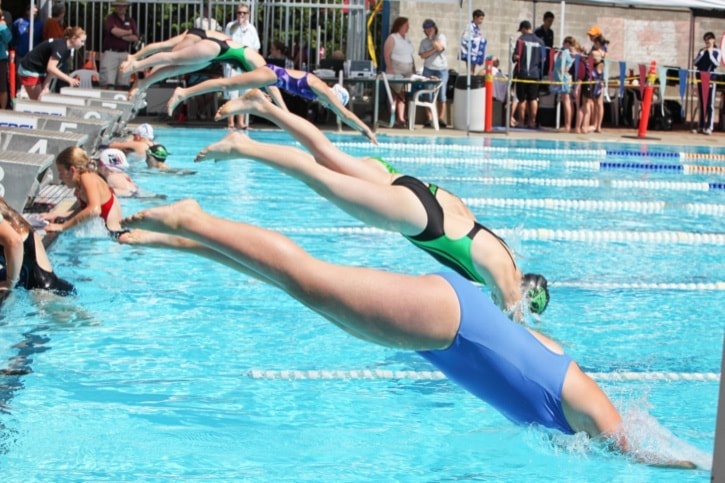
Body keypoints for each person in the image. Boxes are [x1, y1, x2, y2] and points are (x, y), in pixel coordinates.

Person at [117, 199, 697, 470]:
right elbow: (633, 447)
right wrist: (687, 466)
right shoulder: (596, 413)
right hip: (448, 323)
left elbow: (535, 348)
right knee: (308, 279)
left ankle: (186, 238)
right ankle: (193, 218)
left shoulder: (568, 387)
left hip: (450, 323)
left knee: (302, 289)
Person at [209, 89, 547, 318]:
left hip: (417, 189)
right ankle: (243, 145)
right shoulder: (508, 283)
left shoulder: (505, 253)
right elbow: (515, 332)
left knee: (327, 155)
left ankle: (263, 106)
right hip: (418, 217)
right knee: (319, 178)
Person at [166, 64, 376, 143]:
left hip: (274, 80)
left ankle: (252, 98)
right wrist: (366, 131)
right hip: (271, 74)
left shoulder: (320, 92)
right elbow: (345, 115)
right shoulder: (322, 89)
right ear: (334, 97)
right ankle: (184, 92)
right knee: (226, 84)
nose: (329, 106)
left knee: (284, 115)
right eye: (331, 104)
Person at [119, 29, 285, 110]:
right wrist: (286, 112)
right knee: (172, 57)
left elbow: (258, 83)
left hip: (215, 53)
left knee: (174, 69)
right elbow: (273, 88)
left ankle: (143, 84)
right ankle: (136, 63)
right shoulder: (265, 68)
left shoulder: (260, 69)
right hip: (214, 47)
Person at [41, 146, 125, 237]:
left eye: (61, 172)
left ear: (72, 170)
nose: (60, 178)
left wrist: (63, 226)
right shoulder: (84, 179)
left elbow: (94, 210)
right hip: (110, 236)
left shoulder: (87, 178)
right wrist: (61, 216)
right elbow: (85, 210)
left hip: (115, 237)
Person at [0, 197, 74, 295]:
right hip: (49, 288)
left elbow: (14, 242)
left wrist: (10, 283)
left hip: (46, 295)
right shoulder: (7, 214)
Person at [17, 26, 84, 100]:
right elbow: (51, 68)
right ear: (74, 38)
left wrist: (45, 87)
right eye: (82, 41)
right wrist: (69, 79)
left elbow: (52, 71)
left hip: (40, 70)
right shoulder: (61, 47)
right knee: (38, 101)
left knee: (42, 98)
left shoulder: (67, 52)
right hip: (29, 68)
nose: (83, 44)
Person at [223, 3, 260, 130]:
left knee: (245, 94)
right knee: (232, 94)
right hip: (233, 65)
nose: (241, 15)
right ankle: (230, 122)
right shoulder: (230, 26)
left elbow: (256, 48)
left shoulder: (251, 29)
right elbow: (226, 43)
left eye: (244, 13)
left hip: (246, 65)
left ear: (248, 14)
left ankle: (241, 122)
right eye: (239, 13)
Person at [383, 17, 416, 128]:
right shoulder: (392, 38)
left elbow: (410, 54)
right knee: (394, 93)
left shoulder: (407, 39)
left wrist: (414, 67)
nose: (408, 27)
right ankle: (392, 116)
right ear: (400, 25)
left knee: (402, 94)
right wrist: (390, 68)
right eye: (406, 25)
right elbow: (386, 54)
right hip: (396, 68)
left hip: (408, 68)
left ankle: (401, 118)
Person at [99, 0, 138, 90]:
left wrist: (120, 34)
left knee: (123, 82)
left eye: (123, 6)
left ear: (126, 7)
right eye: (118, 6)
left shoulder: (130, 20)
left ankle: (119, 102)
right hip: (111, 52)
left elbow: (135, 38)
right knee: (107, 82)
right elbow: (113, 31)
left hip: (124, 54)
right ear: (115, 7)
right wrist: (128, 32)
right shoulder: (110, 18)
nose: (120, 8)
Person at [512, 20, 545, 129]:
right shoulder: (540, 42)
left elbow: (516, 57)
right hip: (535, 74)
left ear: (524, 28)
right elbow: (543, 59)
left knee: (522, 99)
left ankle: (521, 122)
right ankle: (532, 122)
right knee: (533, 98)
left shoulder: (521, 40)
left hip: (523, 73)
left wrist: (516, 57)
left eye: (521, 30)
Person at [418, 19, 448, 128]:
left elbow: (440, 47)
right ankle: (429, 118)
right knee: (428, 94)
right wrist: (433, 50)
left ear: (435, 28)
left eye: (431, 28)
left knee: (442, 94)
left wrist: (432, 40)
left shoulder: (441, 37)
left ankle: (440, 118)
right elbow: (422, 55)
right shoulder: (423, 42)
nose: (429, 30)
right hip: (428, 68)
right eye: (427, 29)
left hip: (441, 69)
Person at [693, 31, 721, 135]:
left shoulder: (717, 51)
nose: (707, 42)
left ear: (713, 40)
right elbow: (695, 63)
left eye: (708, 39)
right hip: (701, 79)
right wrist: (701, 54)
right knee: (702, 103)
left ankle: (709, 127)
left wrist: (709, 52)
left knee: (710, 104)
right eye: (705, 40)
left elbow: (716, 63)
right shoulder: (702, 51)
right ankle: (700, 126)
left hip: (711, 79)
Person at [586, 25, 608, 133]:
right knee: (596, 102)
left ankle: (596, 125)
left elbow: (597, 59)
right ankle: (596, 125)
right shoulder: (597, 47)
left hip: (598, 76)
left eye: (592, 35)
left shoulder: (600, 48)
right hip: (596, 76)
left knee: (597, 102)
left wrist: (589, 56)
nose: (590, 36)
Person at [552, 36, 576, 132]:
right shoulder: (570, 53)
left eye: (564, 44)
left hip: (565, 80)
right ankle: (569, 124)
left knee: (567, 102)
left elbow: (564, 66)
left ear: (567, 44)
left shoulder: (566, 53)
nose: (562, 45)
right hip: (564, 79)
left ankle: (567, 125)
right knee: (569, 103)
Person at [460, 9, 485, 75]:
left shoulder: (477, 28)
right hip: (470, 51)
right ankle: (469, 83)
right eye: (480, 19)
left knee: (472, 70)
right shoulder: (470, 26)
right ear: (475, 17)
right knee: (470, 70)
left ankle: (471, 81)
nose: (481, 21)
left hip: (474, 52)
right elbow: (465, 37)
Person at [534, 11, 555, 87]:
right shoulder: (537, 31)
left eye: (552, 22)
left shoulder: (551, 32)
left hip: (548, 59)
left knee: (547, 76)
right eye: (549, 21)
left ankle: (545, 89)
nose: (550, 23)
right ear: (544, 20)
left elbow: (550, 45)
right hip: (539, 59)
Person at [0, 1, 11, 110]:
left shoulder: (2, 26)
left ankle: (2, 110)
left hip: (1, 58)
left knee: (2, 87)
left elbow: (8, 38)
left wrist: (4, 27)